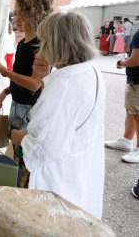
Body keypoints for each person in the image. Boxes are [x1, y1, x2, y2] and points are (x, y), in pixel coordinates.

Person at [11, 12, 106, 219]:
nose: (41, 47)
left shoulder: (63, 87)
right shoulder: (90, 72)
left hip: (55, 184)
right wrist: (46, 79)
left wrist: (21, 138)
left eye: (44, 41)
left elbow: (42, 150)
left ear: (56, 44)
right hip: (78, 174)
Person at [0, 0, 53, 187]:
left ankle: (21, 194)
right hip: (17, 105)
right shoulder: (22, 43)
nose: (17, 17)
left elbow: (34, 84)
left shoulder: (41, 46)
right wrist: (5, 92)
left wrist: (2, 70)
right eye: (17, 12)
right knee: (15, 154)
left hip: (30, 111)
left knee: (24, 161)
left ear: (35, 14)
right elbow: (21, 78)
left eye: (22, 13)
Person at [105, 29, 139, 164]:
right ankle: (126, 140)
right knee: (131, 111)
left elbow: (135, 60)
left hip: (137, 81)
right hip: (134, 81)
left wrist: (121, 62)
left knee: (136, 114)